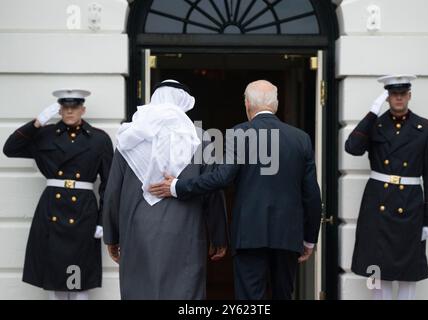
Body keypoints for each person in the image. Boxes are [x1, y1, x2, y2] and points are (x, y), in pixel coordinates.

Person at [150, 80, 322, 300]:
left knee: (250, 299)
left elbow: (222, 178)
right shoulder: (301, 139)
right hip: (287, 235)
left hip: (249, 234)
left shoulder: (239, 133)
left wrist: (177, 186)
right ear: (275, 105)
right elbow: (312, 195)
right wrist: (309, 239)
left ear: (247, 104)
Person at [102, 80, 228, 300]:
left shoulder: (129, 137)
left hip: (136, 232)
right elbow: (213, 191)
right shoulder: (201, 139)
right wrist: (219, 237)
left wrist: (111, 236)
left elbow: (113, 192)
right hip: (185, 233)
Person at [3, 89, 113, 300]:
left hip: (83, 211)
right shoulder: (44, 135)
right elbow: (10, 148)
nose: (70, 112)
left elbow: (108, 184)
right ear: (59, 110)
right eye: (65, 108)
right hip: (52, 209)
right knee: (55, 275)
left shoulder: (99, 139)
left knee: (79, 277)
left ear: (83, 109)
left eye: (74, 108)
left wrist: (103, 220)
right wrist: (36, 123)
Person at [345, 75, 428, 300]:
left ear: (409, 95)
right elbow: (352, 147)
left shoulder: (425, 128)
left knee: (408, 273)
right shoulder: (375, 125)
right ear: (387, 98)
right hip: (378, 204)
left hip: (409, 205)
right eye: (393, 94)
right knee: (377, 271)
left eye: (402, 94)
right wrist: (371, 113)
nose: (398, 98)